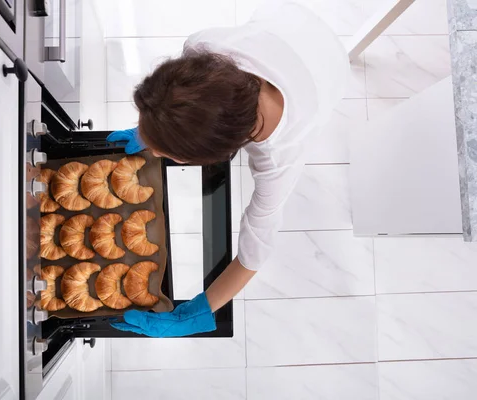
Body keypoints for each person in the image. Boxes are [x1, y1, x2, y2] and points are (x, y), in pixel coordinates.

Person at [109, 0, 350, 337]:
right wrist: (154, 128)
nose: (153, 150)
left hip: (327, 68)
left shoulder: (280, 156)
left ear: (220, 154)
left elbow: (254, 252)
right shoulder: (204, 49)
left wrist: (200, 311)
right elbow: (183, 101)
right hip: (285, 21)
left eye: (166, 154)